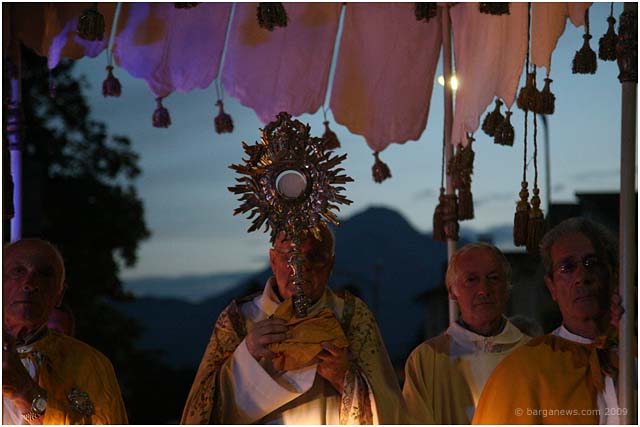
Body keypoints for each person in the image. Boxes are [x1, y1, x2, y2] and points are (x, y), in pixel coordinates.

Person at [181, 224, 405, 424]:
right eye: (289, 255)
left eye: (314, 257)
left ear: (331, 263)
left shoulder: (352, 316)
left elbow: (390, 409)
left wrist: (344, 378)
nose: (300, 268)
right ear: (273, 260)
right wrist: (246, 354)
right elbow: (201, 410)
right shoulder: (238, 320)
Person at [474, 217, 624, 424]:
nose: (582, 276)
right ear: (551, 286)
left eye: (592, 263)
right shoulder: (523, 371)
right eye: (567, 268)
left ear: (614, 274)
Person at [3, 238, 128, 424]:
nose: (29, 283)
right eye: (18, 271)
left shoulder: (89, 364)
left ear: (59, 295)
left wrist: (24, 393)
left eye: (45, 274)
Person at [403, 243, 530, 424]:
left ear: (507, 287)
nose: (484, 290)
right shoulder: (426, 360)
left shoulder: (533, 354)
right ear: (452, 292)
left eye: (493, 278)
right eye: (471, 280)